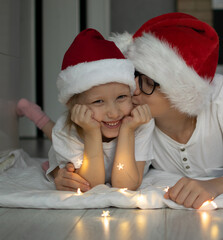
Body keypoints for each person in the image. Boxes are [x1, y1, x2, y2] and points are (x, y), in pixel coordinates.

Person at [34, 13, 223, 209]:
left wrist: (216, 186)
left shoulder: (221, 96)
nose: (132, 89)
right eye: (132, 76)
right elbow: (77, 134)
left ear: (179, 88)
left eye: (146, 80)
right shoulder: (129, 114)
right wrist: (61, 172)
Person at [17, 28, 154, 191]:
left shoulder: (140, 124)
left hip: (86, 135)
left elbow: (126, 185)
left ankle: (33, 112)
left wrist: (127, 131)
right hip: (69, 134)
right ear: (74, 106)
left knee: (55, 134)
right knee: (54, 132)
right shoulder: (65, 131)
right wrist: (91, 132)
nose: (114, 113)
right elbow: (92, 185)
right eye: (98, 101)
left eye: (121, 97)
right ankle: (34, 113)